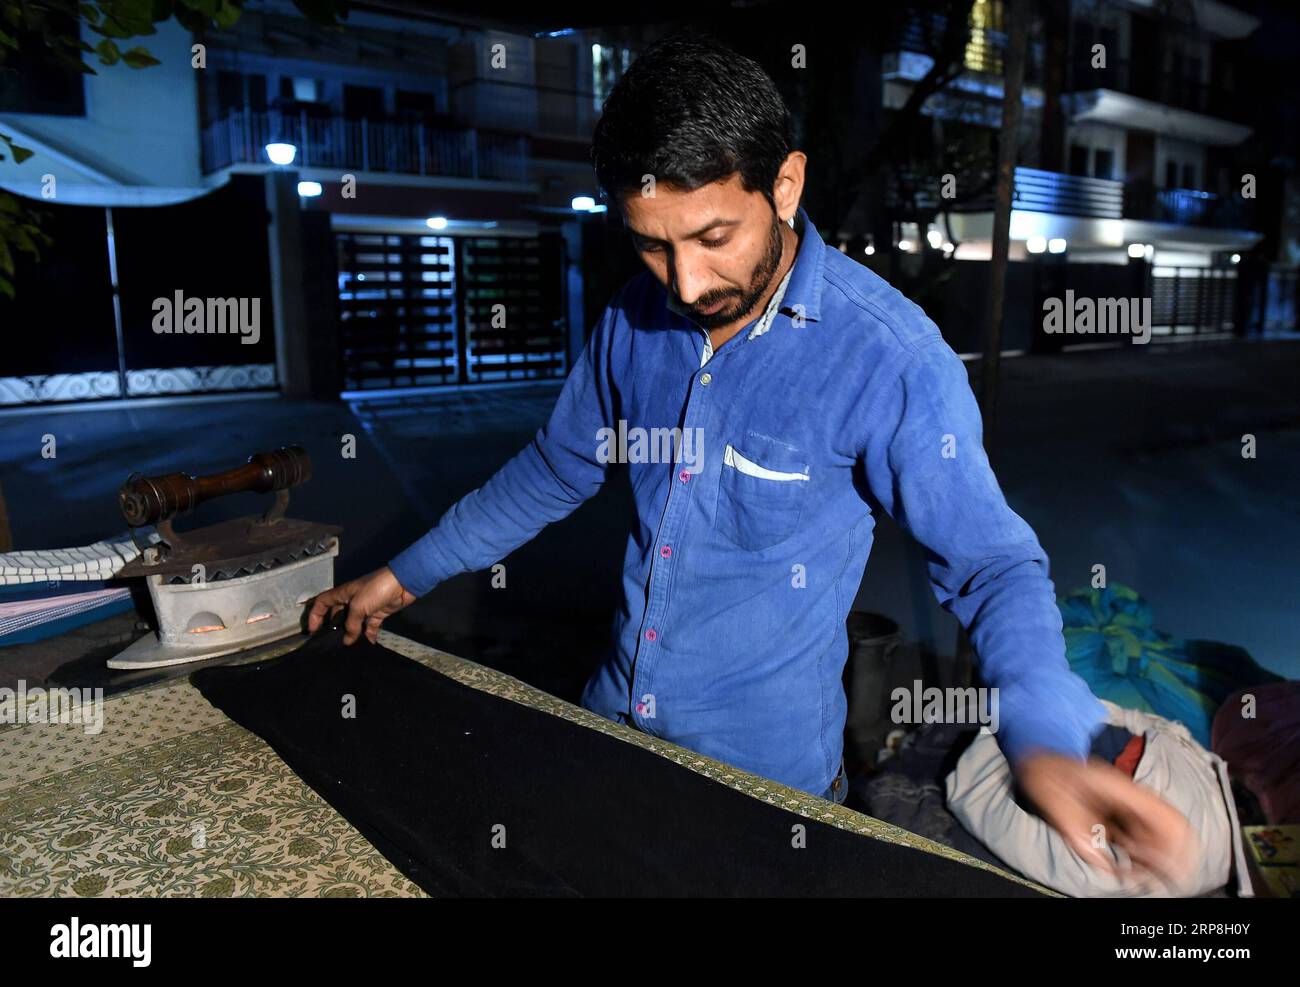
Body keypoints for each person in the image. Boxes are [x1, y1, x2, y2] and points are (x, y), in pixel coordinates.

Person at [309, 32, 1196, 892]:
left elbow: (991, 563)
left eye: (712, 237)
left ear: (786, 182)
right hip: (607, 732)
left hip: (765, 794)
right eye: (652, 243)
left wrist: (1045, 732)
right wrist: (406, 572)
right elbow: (557, 468)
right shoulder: (632, 317)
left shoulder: (888, 357)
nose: (684, 285)